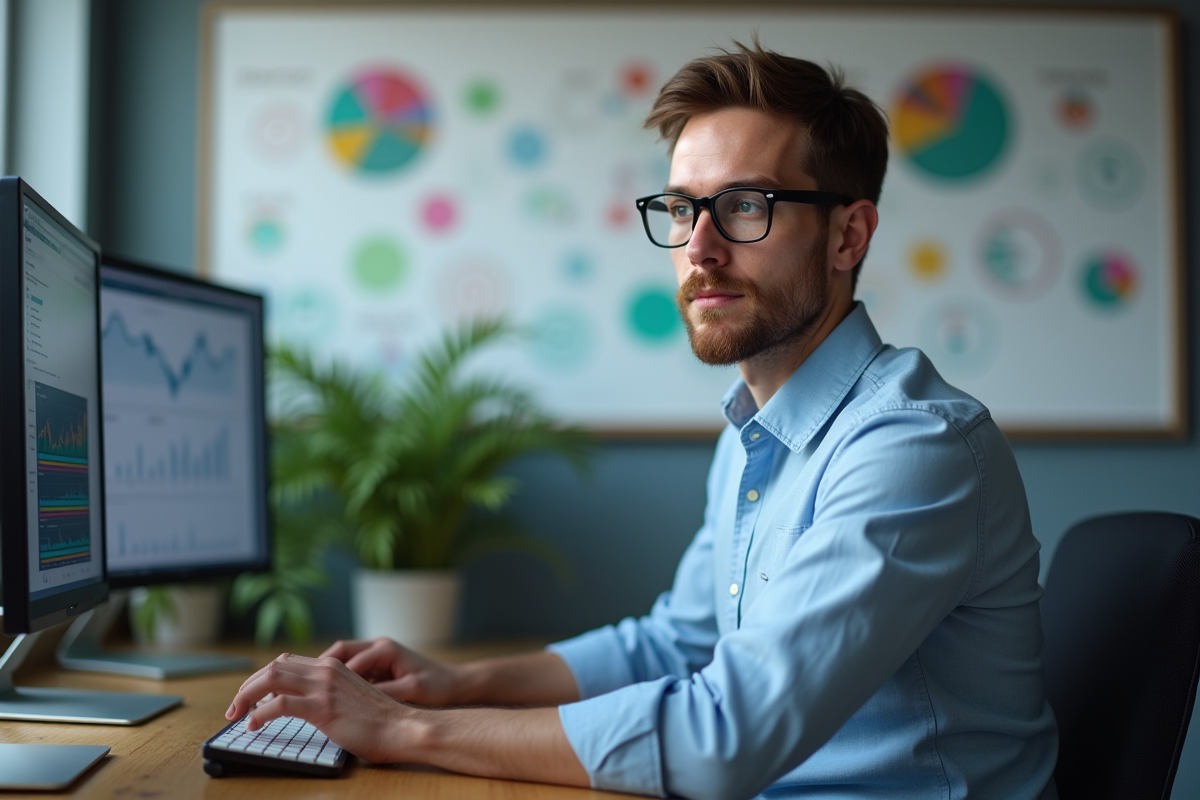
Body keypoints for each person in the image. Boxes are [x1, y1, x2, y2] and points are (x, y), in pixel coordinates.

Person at [227, 42, 1059, 799]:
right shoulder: (754, 432)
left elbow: (722, 741)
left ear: (850, 235)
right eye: (680, 208)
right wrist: (454, 684)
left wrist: (405, 729)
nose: (698, 247)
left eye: (744, 206)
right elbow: (671, 646)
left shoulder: (913, 449)